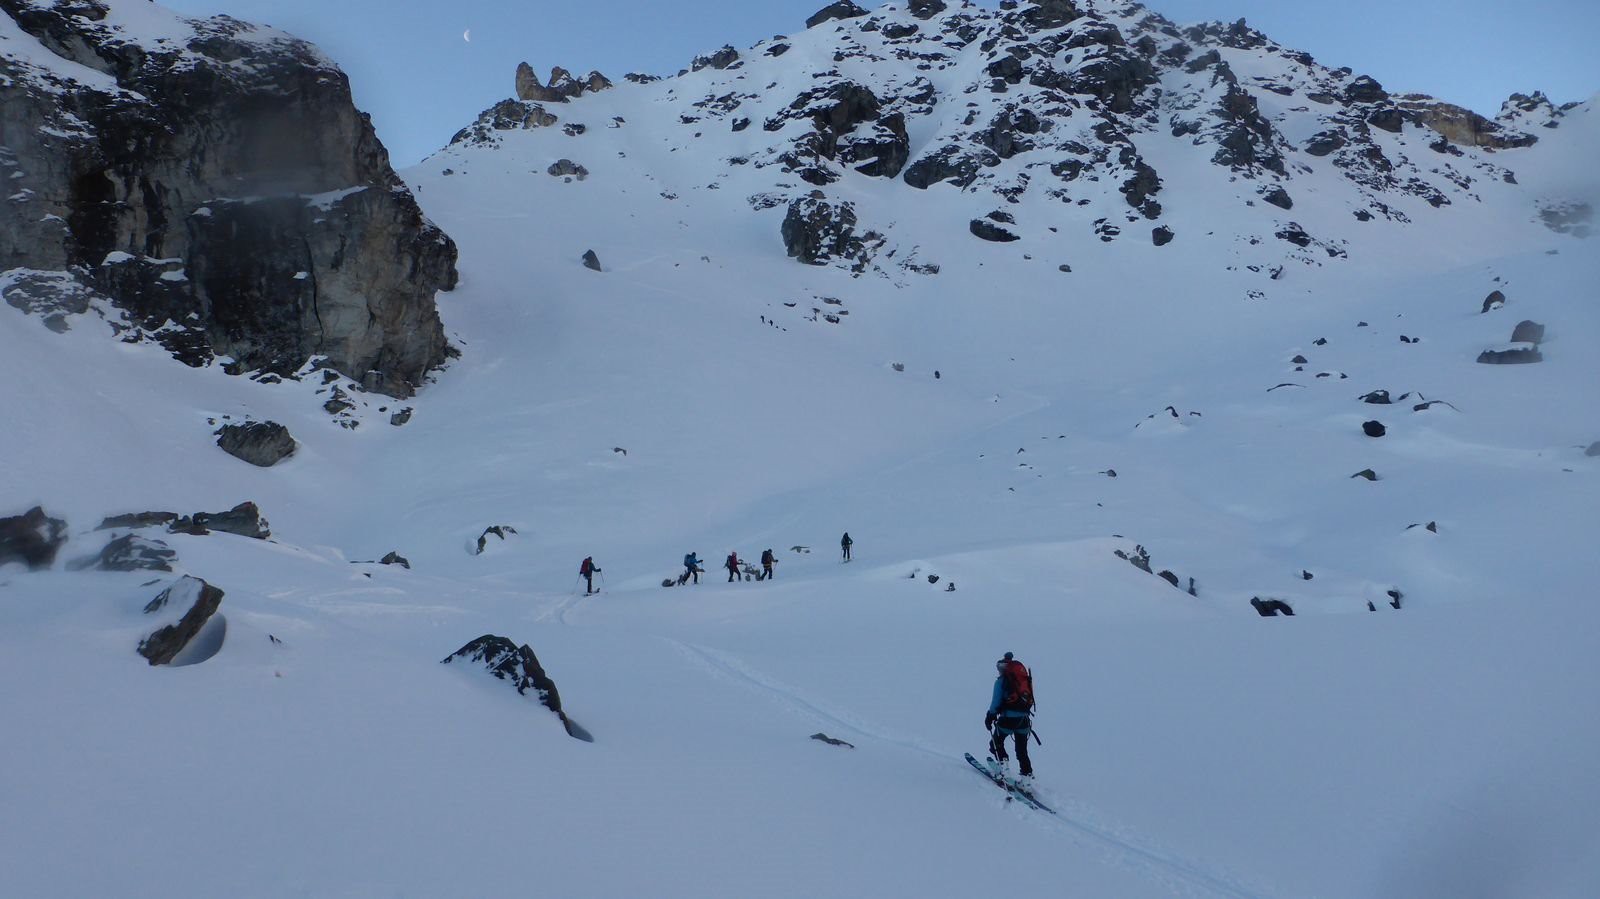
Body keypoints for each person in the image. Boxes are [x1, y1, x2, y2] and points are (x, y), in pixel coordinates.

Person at [985, 652, 1034, 777]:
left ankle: (1004, 771)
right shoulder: (1023, 680)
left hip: (1007, 719)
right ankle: (1026, 779)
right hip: (1024, 719)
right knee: (1022, 750)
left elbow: (995, 702)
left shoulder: (1001, 682)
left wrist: (990, 717)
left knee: (995, 744)